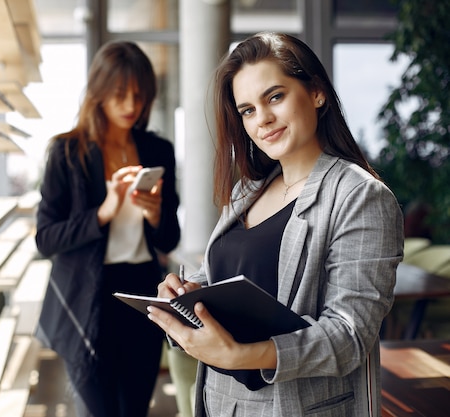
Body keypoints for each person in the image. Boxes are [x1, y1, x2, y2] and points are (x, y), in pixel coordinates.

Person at [147, 32, 404, 417]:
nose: (262, 119)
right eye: (247, 109)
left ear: (316, 93)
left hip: (294, 406)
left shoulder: (360, 196)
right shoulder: (247, 189)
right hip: (219, 402)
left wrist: (241, 355)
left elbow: (350, 336)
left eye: (275, 97)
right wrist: (190, 291)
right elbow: (221, 275)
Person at [34, 40, 181, 417]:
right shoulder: (67, 153)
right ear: (98, 92)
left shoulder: (157, 151)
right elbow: (46, 238)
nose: (131, 105)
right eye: (120, 94)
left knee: (134, 410)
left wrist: (154, 215)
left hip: (142, 299)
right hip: (86, 298)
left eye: (139, 95)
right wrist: (104, 211)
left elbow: (170, 239)